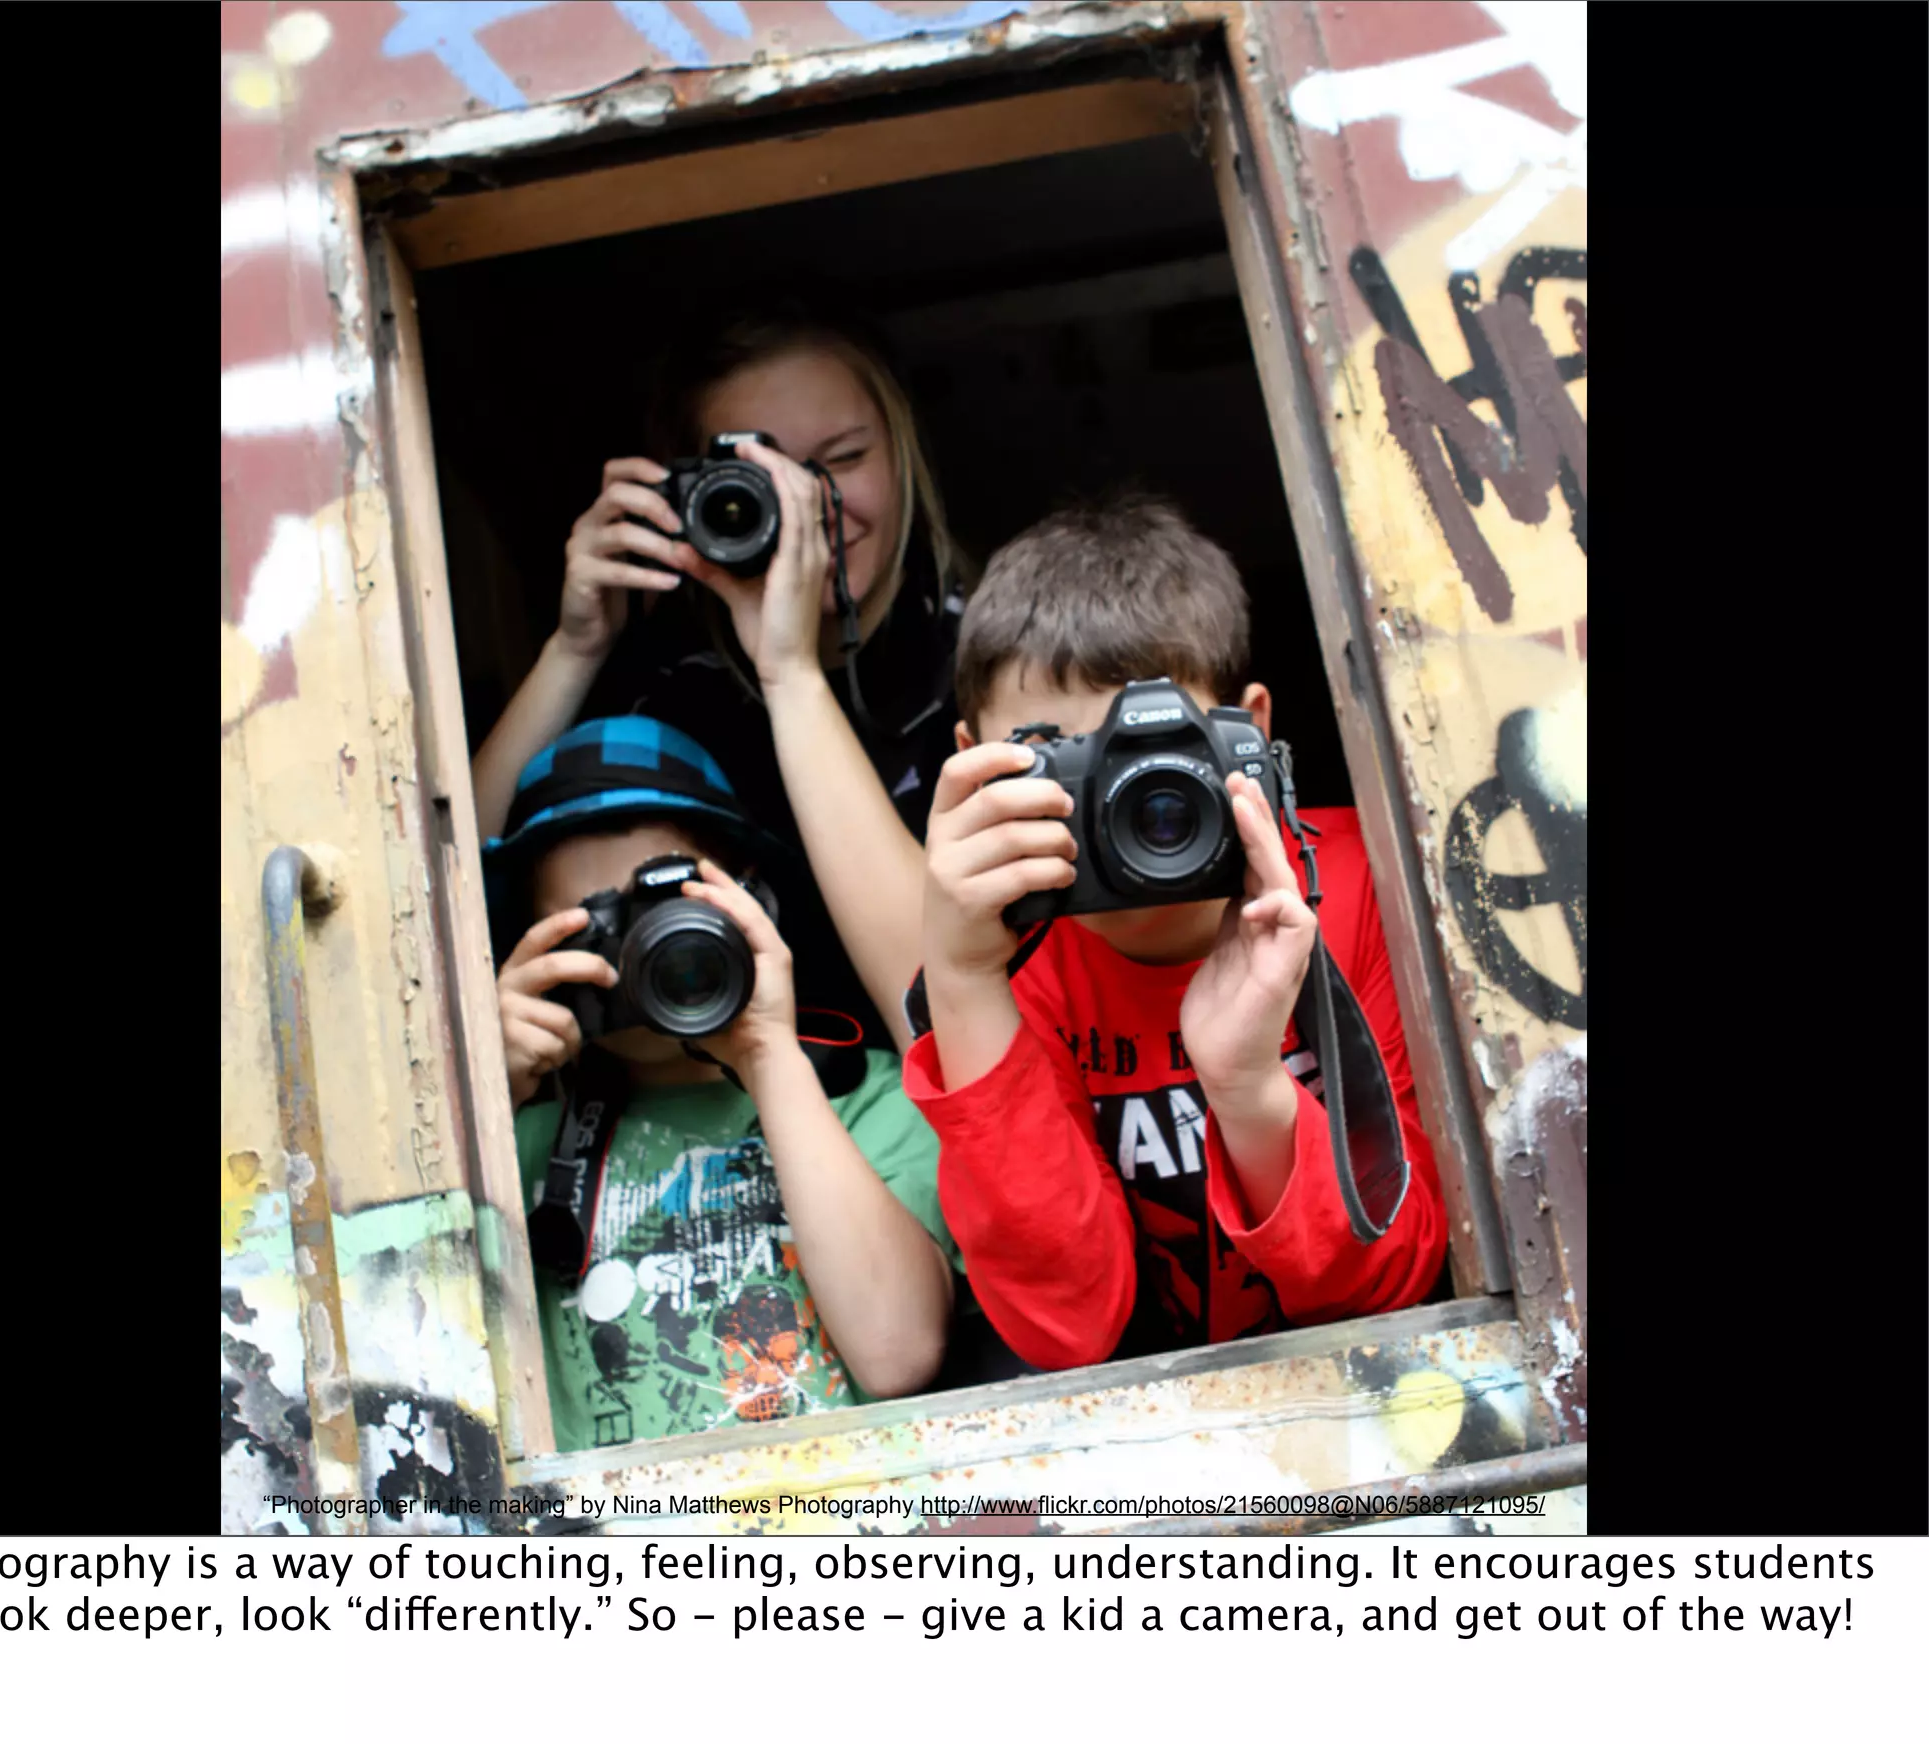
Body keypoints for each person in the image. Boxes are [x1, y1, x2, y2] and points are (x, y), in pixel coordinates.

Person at [905, 495, 1446, 1371]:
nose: (1123, 807)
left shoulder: (1366, 886)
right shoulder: (1009, 967)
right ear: (970, 765)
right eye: (1060, 761)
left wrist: (1248, 1087)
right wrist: (962, 988)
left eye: (1157, 756)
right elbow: (1068, 1333)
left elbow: (1395, 1285)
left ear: (1252, 732)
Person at [471, 297, 971, 1060]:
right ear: (685, 498)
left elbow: (943, 1017)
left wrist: (790, 669)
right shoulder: (661, 691)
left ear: (904, 454)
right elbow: (444, 929)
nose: (810, 505)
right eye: (755, 482)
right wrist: (574, 651)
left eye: (841, 460)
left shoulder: (988, 654)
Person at [483, 717, 956, 1452]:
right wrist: (484, 1092)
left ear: (754, 905)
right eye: (593, 930)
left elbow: (899, 1353)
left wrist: (768, 1051)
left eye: (663, 912)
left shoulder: (867, 1101)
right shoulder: (514, 1141)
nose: (639, 956)